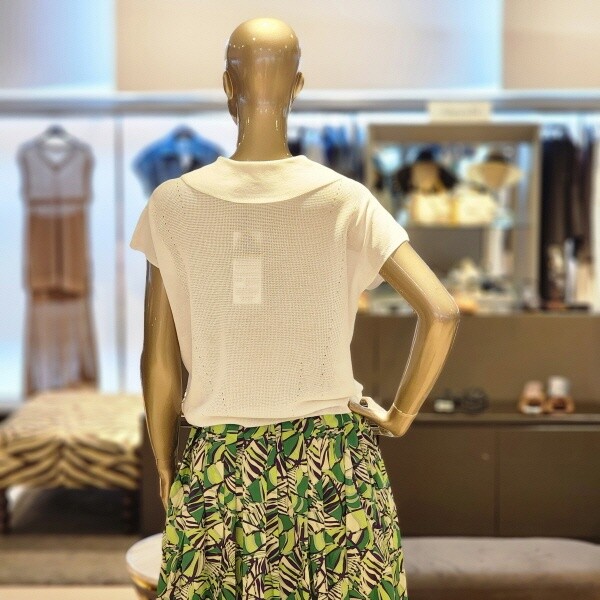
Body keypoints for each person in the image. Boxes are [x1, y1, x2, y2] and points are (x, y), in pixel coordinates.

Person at [129, 17, 460, 599]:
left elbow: (158, 357)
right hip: (334, 468)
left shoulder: (172, 204)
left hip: (220, 469)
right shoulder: (346, 200)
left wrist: (163, 457)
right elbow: (441, 311)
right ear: (299, 86)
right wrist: (399, 416)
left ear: (226, 86)